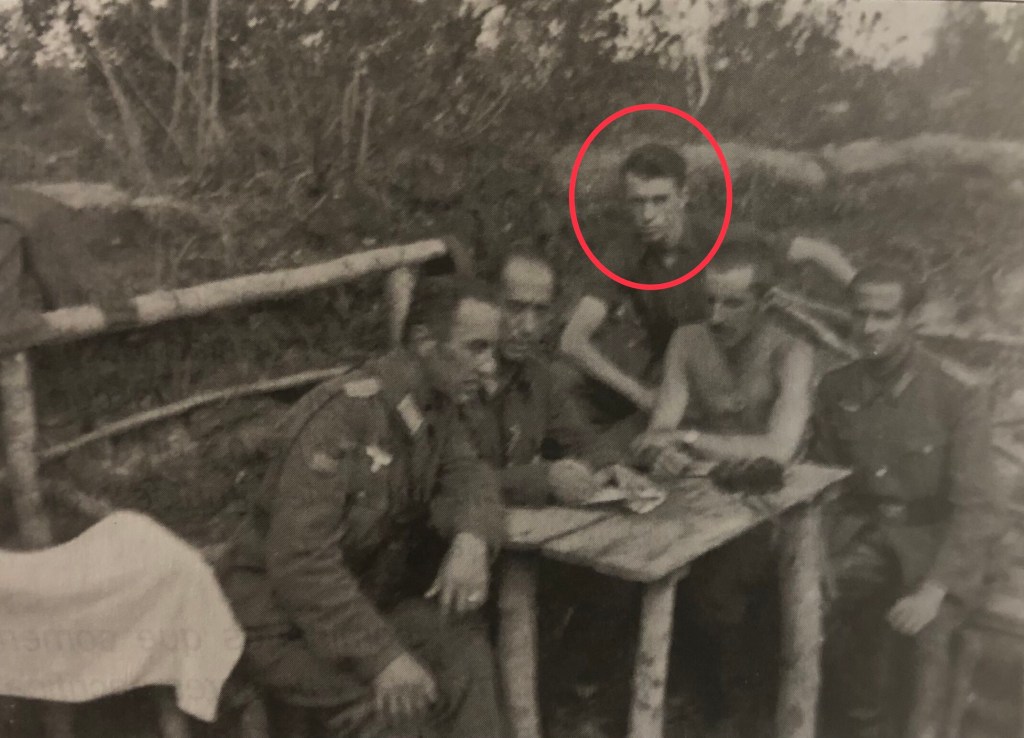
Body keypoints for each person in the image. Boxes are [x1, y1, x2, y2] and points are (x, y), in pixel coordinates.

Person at [221, 277, 507, 738]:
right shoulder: (344, 417)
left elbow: (472, 477)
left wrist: (473, 538)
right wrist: (383, 657)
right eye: (475, 348)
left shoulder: (436, 408)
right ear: (423, 340)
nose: (489, 366)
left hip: (357, 609)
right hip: (278, 626)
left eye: (492, 350)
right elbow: (300, 563)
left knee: (461, 649)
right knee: (396, 707)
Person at [630, 236, 817, 732]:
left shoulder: (792, 352)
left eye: (733, 303)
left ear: (766, 303)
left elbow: (778, 448)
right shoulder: (688, 341)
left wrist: (688, 437)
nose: (717, 314)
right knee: (636, 571)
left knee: (725, 589)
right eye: (710, 299)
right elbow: (656, 431)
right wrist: (661, 451)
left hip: (769, 505)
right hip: (698, 499)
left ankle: (736, 714)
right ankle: (671, 701)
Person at [811, 263, 1004, 738]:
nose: (870, 328)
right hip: (867, 536)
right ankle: (863, 726)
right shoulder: (837, 388)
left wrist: (934, 590)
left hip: (938, 544)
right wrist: (816, 558)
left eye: (885, 315)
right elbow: (823, 484)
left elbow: (980, 506)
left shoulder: (956, 393)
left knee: (930, 638)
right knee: (826, 607)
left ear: (912, 320)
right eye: (860, 315)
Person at [559, 142, 853, 426]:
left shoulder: (717, 236)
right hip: (677, 372)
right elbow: (573, 340)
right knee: (567, 386)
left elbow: (818, 252)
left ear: (683, 195)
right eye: (638, 202)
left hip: (744, 366)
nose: (648, 215)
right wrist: (641, 395)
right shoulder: (625, 251)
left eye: (660, 200)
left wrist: (869, 298)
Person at [460, 250, 614, 507]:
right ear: (487, 303)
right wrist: (544, 479)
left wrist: (612, 466)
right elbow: (455, 480)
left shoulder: (538, 377)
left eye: (540, 310)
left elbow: (583, 439)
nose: (529, 326)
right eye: (515, 307)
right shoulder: (456, 375)